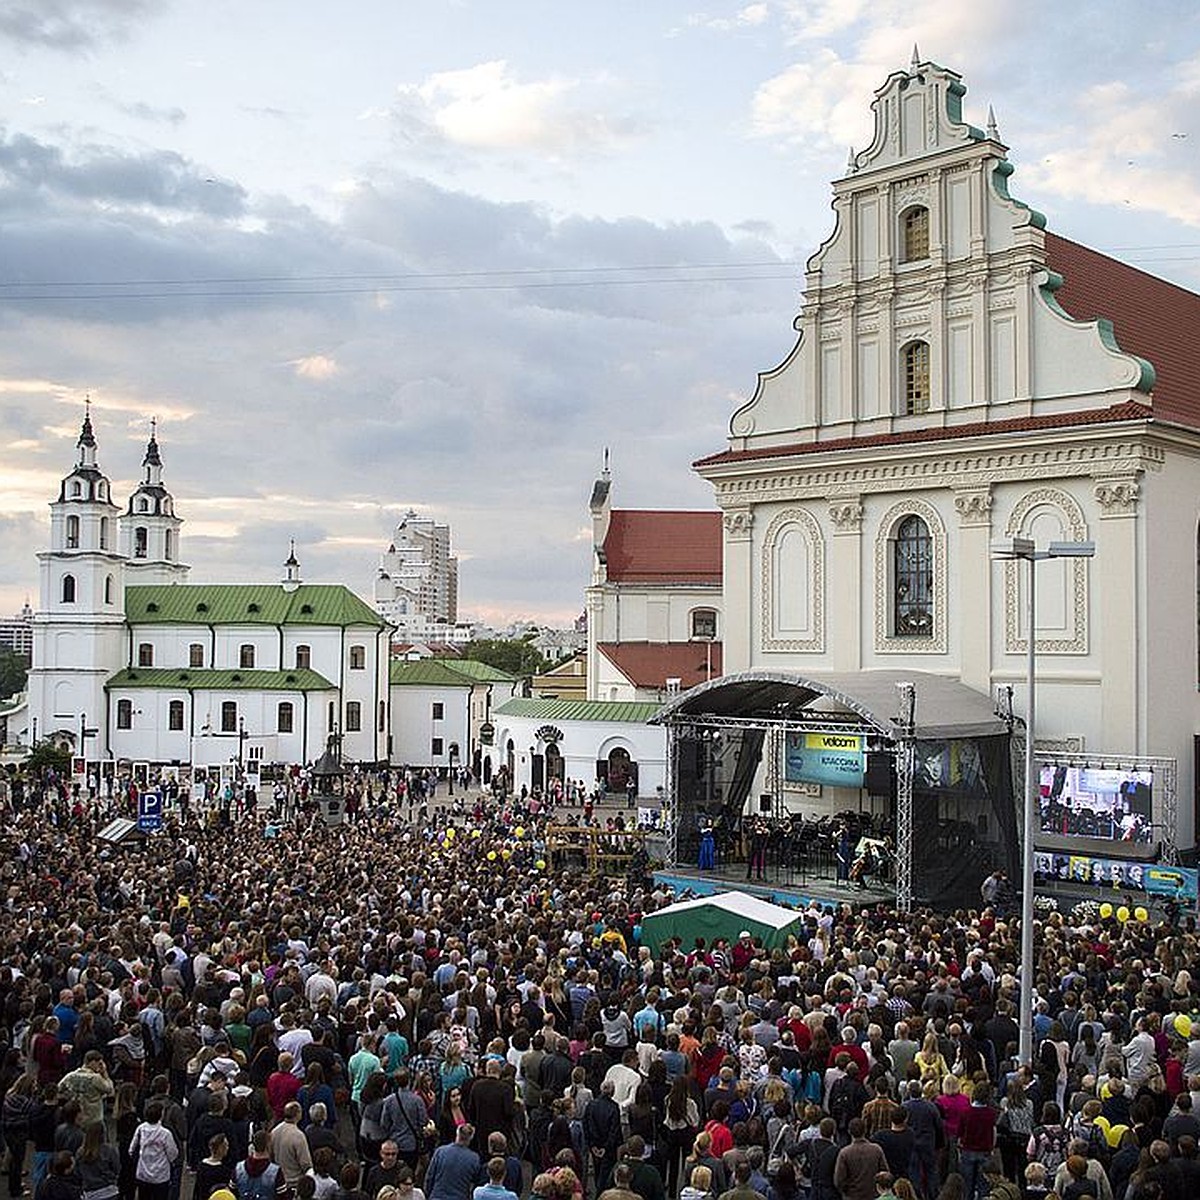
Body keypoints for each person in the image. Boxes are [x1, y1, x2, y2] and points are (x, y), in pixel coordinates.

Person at [128, 1100, 180, 1200]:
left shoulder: (140, 1129)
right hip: (161, 1175)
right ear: (161, 1115)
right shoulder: (165, 1133)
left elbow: (131, 1149)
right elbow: (173, 1153)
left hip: (143, 1173)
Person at [424, 1123, 483, 1200]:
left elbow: (429, 1177)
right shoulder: (474, 1158)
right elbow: (475, 1183)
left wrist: (428, 1195)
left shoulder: (440, 1151)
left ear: (457, 1133)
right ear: (471, 1137)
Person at [833, 1119, 889, 1200]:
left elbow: (838, 1180)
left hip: (852, 1196)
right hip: (873, 1195)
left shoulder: (844, 1153)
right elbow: (885, 1173)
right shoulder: (876, 1149)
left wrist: (846, 1191)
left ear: (849, 1132)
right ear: (865, 1130)